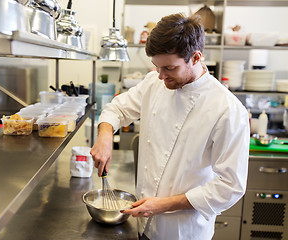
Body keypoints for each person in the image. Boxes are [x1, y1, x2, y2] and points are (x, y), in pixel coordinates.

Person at [90, 13, 250, 240]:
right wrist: (104, 136)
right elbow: (118, 109)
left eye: (170, 68)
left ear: (196, 58)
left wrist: (163, 205)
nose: (161, 76)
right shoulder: (154, 82)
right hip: (143, 224)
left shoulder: (228, 110)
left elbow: (230, 186)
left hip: (182, 231)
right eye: (156, 66)